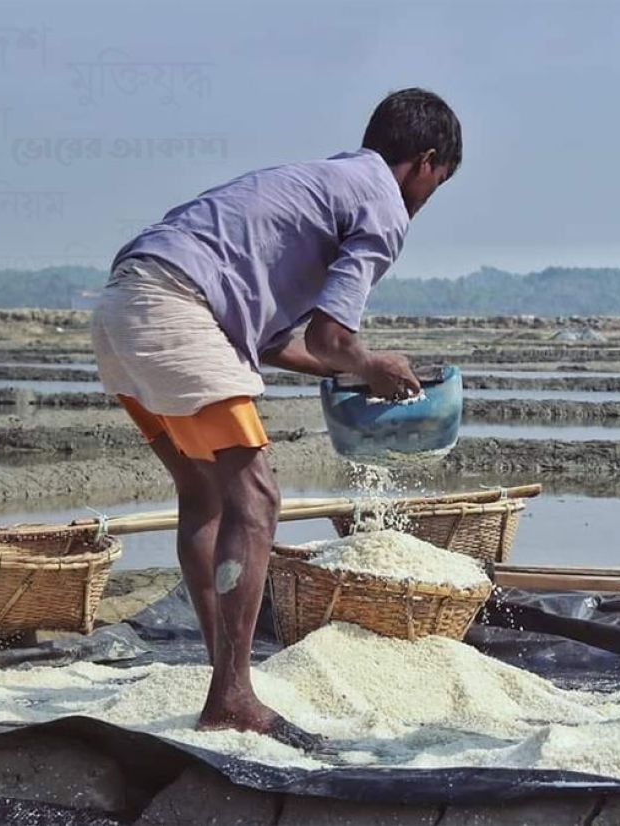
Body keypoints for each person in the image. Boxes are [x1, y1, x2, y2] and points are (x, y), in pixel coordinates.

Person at [90, 88, 461, 745]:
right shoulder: (381, 203)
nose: (429, 197)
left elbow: (279, 343)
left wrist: (356, 368)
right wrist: (371, 364)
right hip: (179, 304)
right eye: (439, 182)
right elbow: (332, 337)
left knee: (204, 494)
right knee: (256, 499)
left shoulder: (323, 182)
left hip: (125, 304)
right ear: (425, 161)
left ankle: (224, 679)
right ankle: (232, 695)